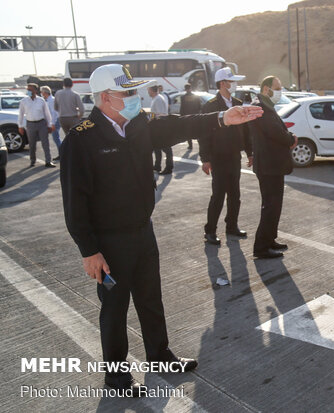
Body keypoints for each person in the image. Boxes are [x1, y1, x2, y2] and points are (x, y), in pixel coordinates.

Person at [59, 64, 262, 396]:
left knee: (150, 298)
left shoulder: (140, 124)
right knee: (114, 308)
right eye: (128, 93)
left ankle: (160, 356)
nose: (136, 98)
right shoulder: (81, 139)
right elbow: (74, 202)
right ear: (106, 98)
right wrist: (88, 251)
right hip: (108, 244)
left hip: (142, 232)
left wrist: (222, 118)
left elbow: (179, 126)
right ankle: (117, 377)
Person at [200, 68, 252, 245]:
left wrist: (250, 153)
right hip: (218, 157)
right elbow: (204, 134)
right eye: (232, 81)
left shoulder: (238, 103)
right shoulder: (210, 105)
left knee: (235, 194)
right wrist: (205, 159)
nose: (235, 84)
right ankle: (210, 231)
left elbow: (245, 131)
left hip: (234, 156)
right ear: (223, 83)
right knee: (218, 195)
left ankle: (232, 226)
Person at [250, 76, 297, 259]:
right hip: (269, 166)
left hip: (273, 165)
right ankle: (261, 247)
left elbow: (278, 129)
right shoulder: (261, 107)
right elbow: (275, 132)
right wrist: (291, 139)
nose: (280, 91)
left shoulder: (266, 105)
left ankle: (270, 240)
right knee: (270, 206)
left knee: (274, 206)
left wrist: (288, 135)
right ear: (266, 89)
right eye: (277, 88)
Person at [18, 83, 55, 167]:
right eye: (28, 90)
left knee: (45, 143)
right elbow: (20, 114)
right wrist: (20, 126)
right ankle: (32, 161)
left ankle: (48, 161)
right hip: (30, 124)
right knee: (32, 144)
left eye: (30, 90)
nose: (28, 91)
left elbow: (47, 114)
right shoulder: (24, 101)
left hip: (41, 123)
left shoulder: (41, 100)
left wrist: (50, 124)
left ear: (35, 91)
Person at [149, 85, 173, 174]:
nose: (148, 92)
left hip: (161, 127)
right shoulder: (156, 98)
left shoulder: (158, 99)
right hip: (158, 126)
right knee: (157, 147)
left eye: (149, 90)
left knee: (166, 148)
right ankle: (157, 165)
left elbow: (161, 115)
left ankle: (169, 167)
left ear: (152, 90)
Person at [41, 86, 62, 161]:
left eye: (42, 92)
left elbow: (54, 113)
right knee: (56, 138)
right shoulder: (48, 100)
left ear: (45, 93)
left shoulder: (51, 100)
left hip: (55, 121)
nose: (41, 94)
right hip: (54, 121)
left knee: (56, 138)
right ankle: (62, 152)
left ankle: (62, 153)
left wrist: (52, 124)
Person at [180, 83, 202, 149]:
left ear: (185, 89)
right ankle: (200, 144)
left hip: (187, 117)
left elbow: (182, 108)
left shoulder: (183, 97)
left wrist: (181, 117)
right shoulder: (196, 97)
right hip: (195, 116)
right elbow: (200, 107)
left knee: (188, 131)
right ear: (191, 88)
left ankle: (190, 145)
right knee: (197, 130)